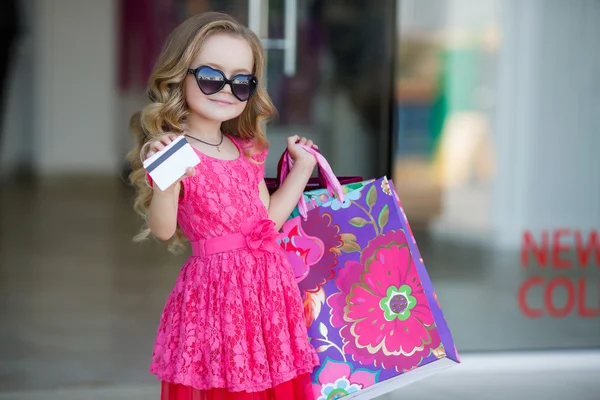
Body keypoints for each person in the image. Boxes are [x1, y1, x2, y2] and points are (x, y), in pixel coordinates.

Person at [126, 12, 320, 400]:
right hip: (216, 296)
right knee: (226, 385)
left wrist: (303, 169)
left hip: (268, 293)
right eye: (212, 77)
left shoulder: (246, 148)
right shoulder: (173, 150)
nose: (226, 90)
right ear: (180, 75)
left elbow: (266, 221)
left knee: (269, 383)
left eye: (241, 81)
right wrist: (166, 182)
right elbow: (163, 229)